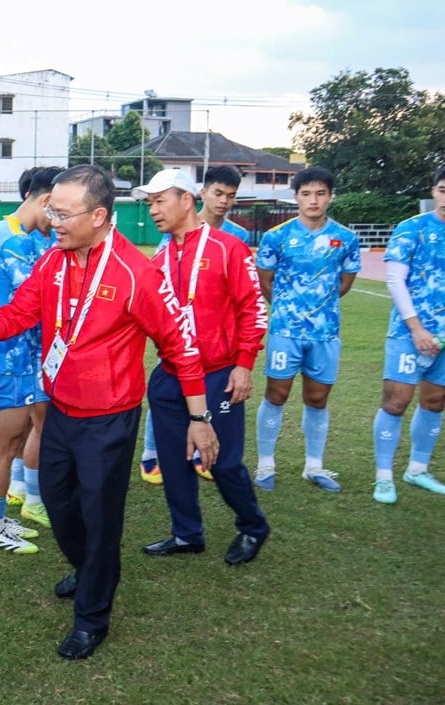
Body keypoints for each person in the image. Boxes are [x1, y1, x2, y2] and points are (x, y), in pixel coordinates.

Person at [0, 164, 218, 660]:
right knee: (58, 502)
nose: (53, 222)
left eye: (63, 214)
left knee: (100, 515)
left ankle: (93, 616)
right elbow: (20, 312)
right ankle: (89, 566)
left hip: (109, 419)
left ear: (98, 216)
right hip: (60, 410)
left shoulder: (137, 273)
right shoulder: (54, 260)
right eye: (51, 211)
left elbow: (180, 347)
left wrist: (200, 420)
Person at [133, 168, 270, 565]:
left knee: (222, 461)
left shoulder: (228, 248)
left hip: (219, 374)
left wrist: (243, 365)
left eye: (160, 201)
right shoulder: (160, 256)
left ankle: (253, 526)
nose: (153, 210)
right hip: (170, 375)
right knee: (173, 460)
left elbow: (254, 309)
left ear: (186, 200)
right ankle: (187, 533)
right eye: (150, 203)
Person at [138, 165, 248, 486]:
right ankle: (152, 453)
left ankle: (203, 454)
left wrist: (242, 361)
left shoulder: (235, 239)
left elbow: (246, 302)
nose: (224, 201)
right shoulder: (169, 239)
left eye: (230, 196)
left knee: (211, 417)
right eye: (218, 193)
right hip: (176, 353)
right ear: (200, 195)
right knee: (168, 397)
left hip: (216, 356)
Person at [0, 166, 62, 554]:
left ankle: (2, 516)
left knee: (15, 438)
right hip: (6, 358)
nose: (58, 222)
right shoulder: (13, 240)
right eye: (59, 211)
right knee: (3, 445)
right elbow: (37, 301)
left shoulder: (14, 233)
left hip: (19, 356)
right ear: (46, 201)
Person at [254, 166, 360, 492]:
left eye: (320, 194)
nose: (313, 200)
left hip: (325, 333)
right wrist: (289, 310)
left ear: (330, 197)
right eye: (306, 194)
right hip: (285, 331)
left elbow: (344, 283)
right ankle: (265, 465)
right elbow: (265, 281)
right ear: (296, 197)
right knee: (276, 395)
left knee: (317, 399)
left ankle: (314, 466)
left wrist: (318, 309)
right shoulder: (276, 237)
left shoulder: (346, 238)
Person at [372, 165, 445, 503]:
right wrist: (416, 328)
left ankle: (417, 469)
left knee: (435, 400)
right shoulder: (411, 229)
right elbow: (395, 279)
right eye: (443, 190)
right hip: (408, 333)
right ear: (433, 192)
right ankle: (384, 477)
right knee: (397, 401)